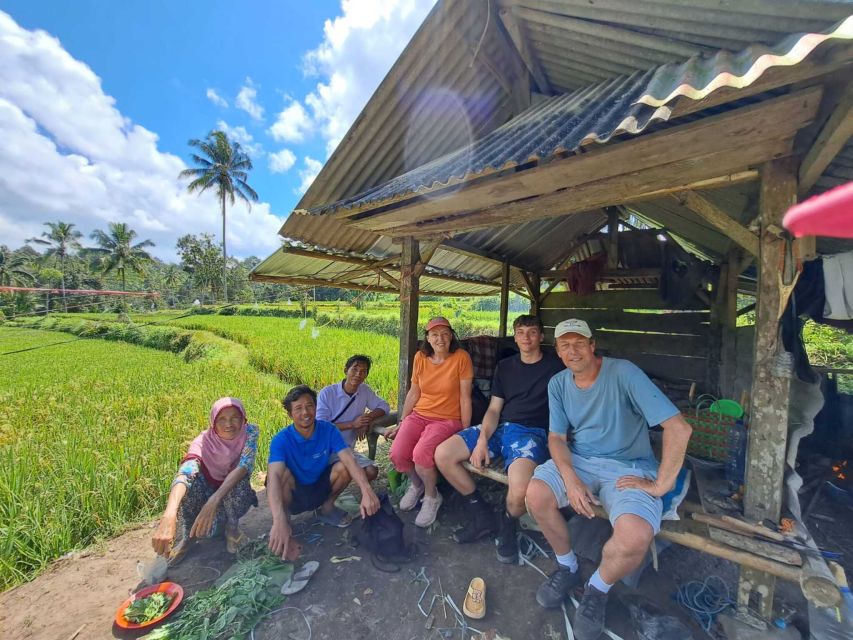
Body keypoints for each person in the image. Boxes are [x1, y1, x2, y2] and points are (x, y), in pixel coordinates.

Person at [526, 318, 692, 640]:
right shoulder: (558, 383)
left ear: (592, 345)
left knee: (635, 535)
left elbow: (678, 427)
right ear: (558, 352)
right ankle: (568, 567)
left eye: (578, 343)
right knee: (536, 495)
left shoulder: (623, 372)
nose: (572, 351)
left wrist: (661, 485)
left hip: (628, 467)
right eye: (564, 345)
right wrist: (570, 478)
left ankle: (597, 588)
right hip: (581, 461)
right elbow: (557, 438)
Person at [435, 315, 564, 563]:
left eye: (532, 332)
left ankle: (507, 524)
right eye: (521, 332)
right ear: (514, 337)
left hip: (531, 433)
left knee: (519, 491)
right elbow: (494, 409)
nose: (526, 337)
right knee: (443, 454)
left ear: (541, 336)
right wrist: (483, 439)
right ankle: (482, 515)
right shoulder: (505, 367)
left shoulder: (555, 367)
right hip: (501, 428)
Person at [267, 385, 380, 561]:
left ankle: (327, 509)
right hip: (295, 494)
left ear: (316, 407)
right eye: (298, 408)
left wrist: (366, 490)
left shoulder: (328, 429)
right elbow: (273, 477)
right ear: (290, 414)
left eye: (310, 406)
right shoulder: (281, 440)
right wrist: (277, 518)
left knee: (344, 466)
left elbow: (349, 458)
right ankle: (284, 523)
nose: (305, 412)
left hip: (319, 487)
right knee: (280, 475)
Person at [386, 316, 473, 528]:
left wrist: (466, 430)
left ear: (451, 335)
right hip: (419, 415)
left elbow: (465, 397)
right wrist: (402, 421)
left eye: (444, 334)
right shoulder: (420, 357)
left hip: (447, 419)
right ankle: (417, 486)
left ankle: (432, 496)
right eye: (434, 334)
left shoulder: (461, 357)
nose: (440, 338)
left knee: (420, 455)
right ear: (428, 337)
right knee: (397, 454)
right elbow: (414, 392)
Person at [152, 397, 258, 563]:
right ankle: (189, 537)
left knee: (240, 480)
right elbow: (185, 473)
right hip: (205, 497)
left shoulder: (250, 432)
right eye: (221, 419)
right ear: (213, 423)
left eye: (234, 418)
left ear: (243, 419)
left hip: (231, 496)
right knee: (190, 485)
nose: (229, 424)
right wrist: (169, 515)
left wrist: (214, 501)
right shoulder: (202, 442)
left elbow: (244, 465)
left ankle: (232, 529)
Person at [316, 354, 390, 482]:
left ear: (366, 375)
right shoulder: (327, 393)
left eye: (363, 371)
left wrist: (366, 419)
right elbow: (321, 426)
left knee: (372, 471)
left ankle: (341, 483)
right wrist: (352, 424)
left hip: (346, 449)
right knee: (335, 472)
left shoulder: (364, 391)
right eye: (354, 369)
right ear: (346, 370)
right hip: (324, 448)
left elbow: (384, 406)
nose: (358, 374)